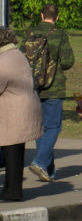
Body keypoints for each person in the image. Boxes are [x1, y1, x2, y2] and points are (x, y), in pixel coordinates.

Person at [23, 3, 74, 183]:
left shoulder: (29, 33)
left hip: (33, 87)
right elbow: (68, 62)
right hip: (54, 87)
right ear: (57, 17)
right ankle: (39, 162)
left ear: (41, 15)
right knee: (53, 127)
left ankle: (48, 169)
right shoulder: (60, 34)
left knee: (41, 128)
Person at [0, 27, 44, 202]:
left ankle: (12, 192)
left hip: (14, 112)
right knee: (15, 154)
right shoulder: (15, 54)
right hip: (22, 109)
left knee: (12, 154)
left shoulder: (4, 61)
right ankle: (12, 190)